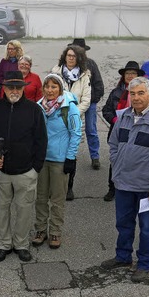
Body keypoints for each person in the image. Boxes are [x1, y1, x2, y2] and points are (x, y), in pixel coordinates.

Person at [100, 77, 149, 283]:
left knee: (147, 227)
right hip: (124, 184)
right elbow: (113, 144)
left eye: (141, 93)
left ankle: (145, 263)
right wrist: (117, 167)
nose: (136, 97)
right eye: (133, 94)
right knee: (123, 223)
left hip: (147, 188)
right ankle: (122, 257)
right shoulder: (123, 116)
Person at [0, 70, 47, 263]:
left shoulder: (33, 110)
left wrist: (36, 168)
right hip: (1, 171)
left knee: (24, 210)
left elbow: (41, 140)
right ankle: (4, 244)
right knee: (1, 208)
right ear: (4, 88)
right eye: (11, 87)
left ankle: (21, 244)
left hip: (26, 171)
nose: (14, 91)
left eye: (18, 87)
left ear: (23, 88)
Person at [32, 74, 82, 249]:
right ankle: (40, 229)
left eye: (54, 87)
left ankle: (55, 232)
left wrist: (70, 157)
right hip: (42, 159)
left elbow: (76, 133)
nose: (50, 90)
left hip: (60, 160)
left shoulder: (69, 108)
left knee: (58, 199)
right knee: (40, 197)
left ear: (60, 89)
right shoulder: (38, 106)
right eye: (47, 86)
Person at [101, 61, 146, 201]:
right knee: (115, 160)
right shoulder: (116, 92)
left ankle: (131, 186)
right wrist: (115, 121)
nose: (130, 76)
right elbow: (106, 110)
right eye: (128, 73)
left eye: (133, 73)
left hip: (138, 131)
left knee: (136, 159)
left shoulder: (145, 93)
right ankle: (112, 188)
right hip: (119, 131)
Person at [52, 44, 91, 201]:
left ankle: (69, 187)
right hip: (55, 118)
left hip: (74, 120)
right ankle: (54, 185)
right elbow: (49, 93)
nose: (71, 58)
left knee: (71, 152)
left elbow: (86, 100)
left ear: (79, 58)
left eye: (74, 56)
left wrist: (73, 114)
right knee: (55, 150)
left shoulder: (84, 76)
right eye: (68, 55)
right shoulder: (56, 72)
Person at [68, 38, 104, 170]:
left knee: (91, 130)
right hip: (72, 103)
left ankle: (95, 156)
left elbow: (99, 85)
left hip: (90, 103)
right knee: (70, 129)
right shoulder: (67, 66)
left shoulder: (91, 64)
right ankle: (69, 155)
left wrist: (91, 100)